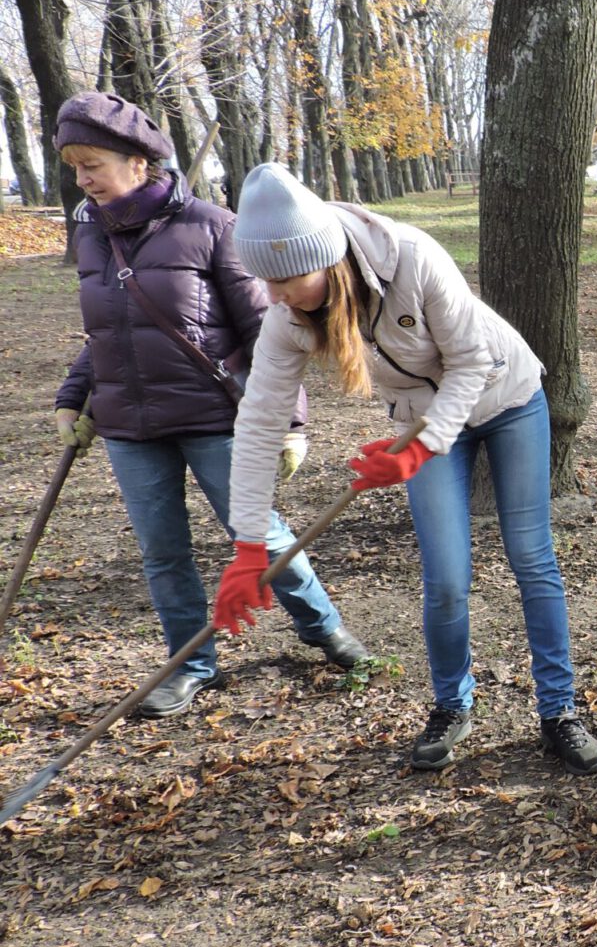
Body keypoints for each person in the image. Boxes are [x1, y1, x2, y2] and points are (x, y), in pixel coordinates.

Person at [213, 163, 597, 776]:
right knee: (446, 577)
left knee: (531, 556)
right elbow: (260, 423)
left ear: (327, 260)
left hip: (506, 397)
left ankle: (559, 710)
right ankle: (452, 705)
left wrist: (416, 454)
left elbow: (472, 361)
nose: (275, 295)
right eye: (266, 281)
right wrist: (248, 547)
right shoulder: (287, 320)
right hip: (425, 423)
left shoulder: (413, 257)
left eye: (286, 279)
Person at [51, 92, 368, 719]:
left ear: (138, 162)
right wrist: (72, 398)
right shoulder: (91, 233)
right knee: (163, 553)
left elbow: (269, 329)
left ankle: (323, 627)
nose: (83, 180)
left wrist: (290, 422)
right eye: (75, 168)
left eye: (93, 165)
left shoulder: (211, 226)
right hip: (129, 424)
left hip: (215, 416)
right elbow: (107, 331)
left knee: (260, 534)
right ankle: (191, 664)